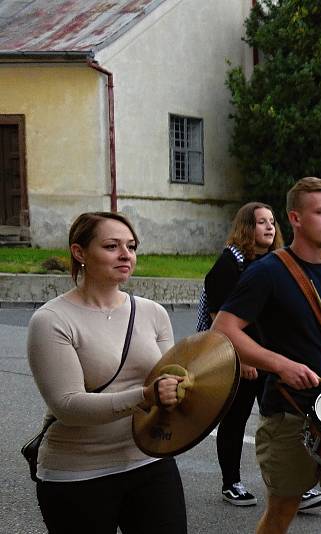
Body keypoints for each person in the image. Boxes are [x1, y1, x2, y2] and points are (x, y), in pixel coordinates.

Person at [212, 177, 321, 534]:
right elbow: (223, 329)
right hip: (288, 412)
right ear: (295, 218)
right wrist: (280, 364)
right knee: (281, 513)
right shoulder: (267, 273)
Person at [26, 212, 187, 533]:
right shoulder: (52, 320)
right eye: (112, 246)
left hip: (150, 461)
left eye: (131, 246)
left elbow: (169, 380)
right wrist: (145, 396)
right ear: (79, 252)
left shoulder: (152, 313)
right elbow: (68, 407)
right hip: (78, 473)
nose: (126, 255)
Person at [204, 202, 321, 511]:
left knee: (282, 422)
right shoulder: (228, 265)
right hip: (240, 360)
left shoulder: (275, 265)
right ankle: (230, 482)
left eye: (272, 222)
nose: (270, 227)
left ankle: (292, 489)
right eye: (261, 222)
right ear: (247, 227)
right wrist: (242, 359)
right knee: (235, 419)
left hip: (272, 358)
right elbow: (218, 317)